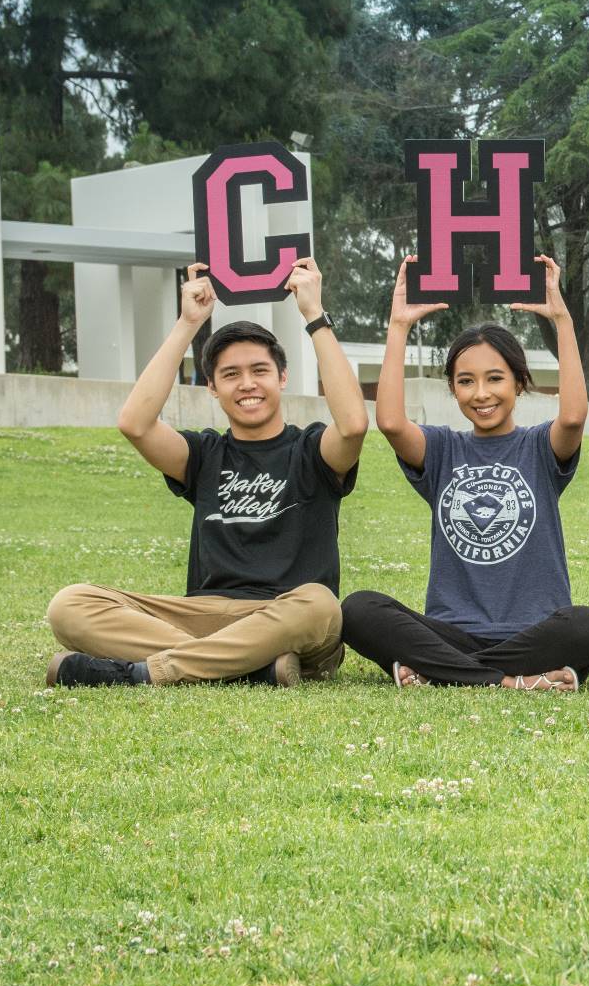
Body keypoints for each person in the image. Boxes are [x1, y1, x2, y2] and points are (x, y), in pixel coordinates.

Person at [45, 258, 365, 687]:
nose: (247, 384)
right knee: (70, 605)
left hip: (286, 613)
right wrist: (187, 323)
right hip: (202, 614)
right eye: (230, 375)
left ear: (282, 377)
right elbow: (135, 423)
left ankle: (156, 670)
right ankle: (250, 669)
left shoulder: (311, 451)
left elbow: (354, 426)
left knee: (322, 605)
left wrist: (313, 314)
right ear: (212, 387)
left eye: (260, 371)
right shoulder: (204, 454)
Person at [338, 256, 589, 692]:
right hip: (451, 632)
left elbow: (575, 417)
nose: (481, 394)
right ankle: (508, 681)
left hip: (534, 632)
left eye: (495, 379)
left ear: (519, 383)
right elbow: (389, 423)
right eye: (466, 381)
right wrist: (398, 327)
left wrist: (561, 319)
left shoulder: (539, 446)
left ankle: (443, 671)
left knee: (587, 626)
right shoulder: (444, 448)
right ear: (453, 389)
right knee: (357, 609)